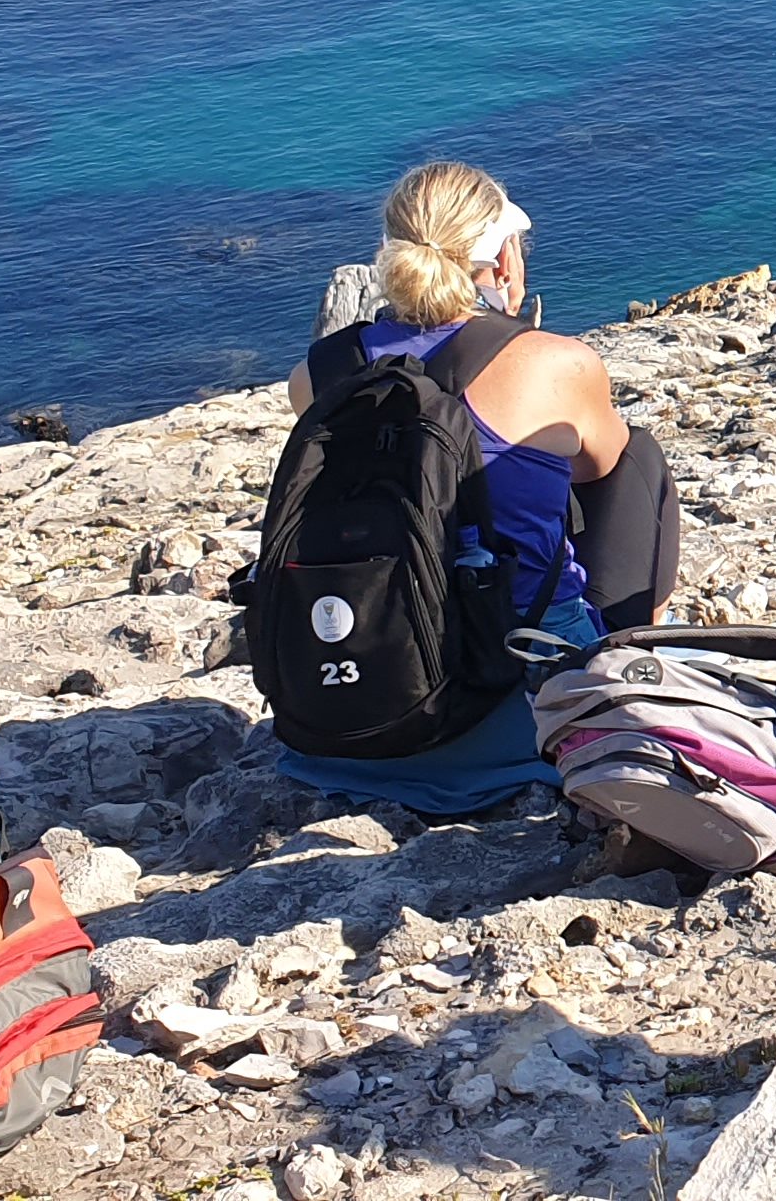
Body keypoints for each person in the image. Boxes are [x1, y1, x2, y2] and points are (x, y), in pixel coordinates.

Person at [276, 162, 682, 813]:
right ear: (500, 262)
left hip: (353, 707)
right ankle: (620, 676)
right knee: (638, 461)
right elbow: (603, 473)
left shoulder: (316, 375)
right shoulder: (555, 364)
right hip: (521, 714)